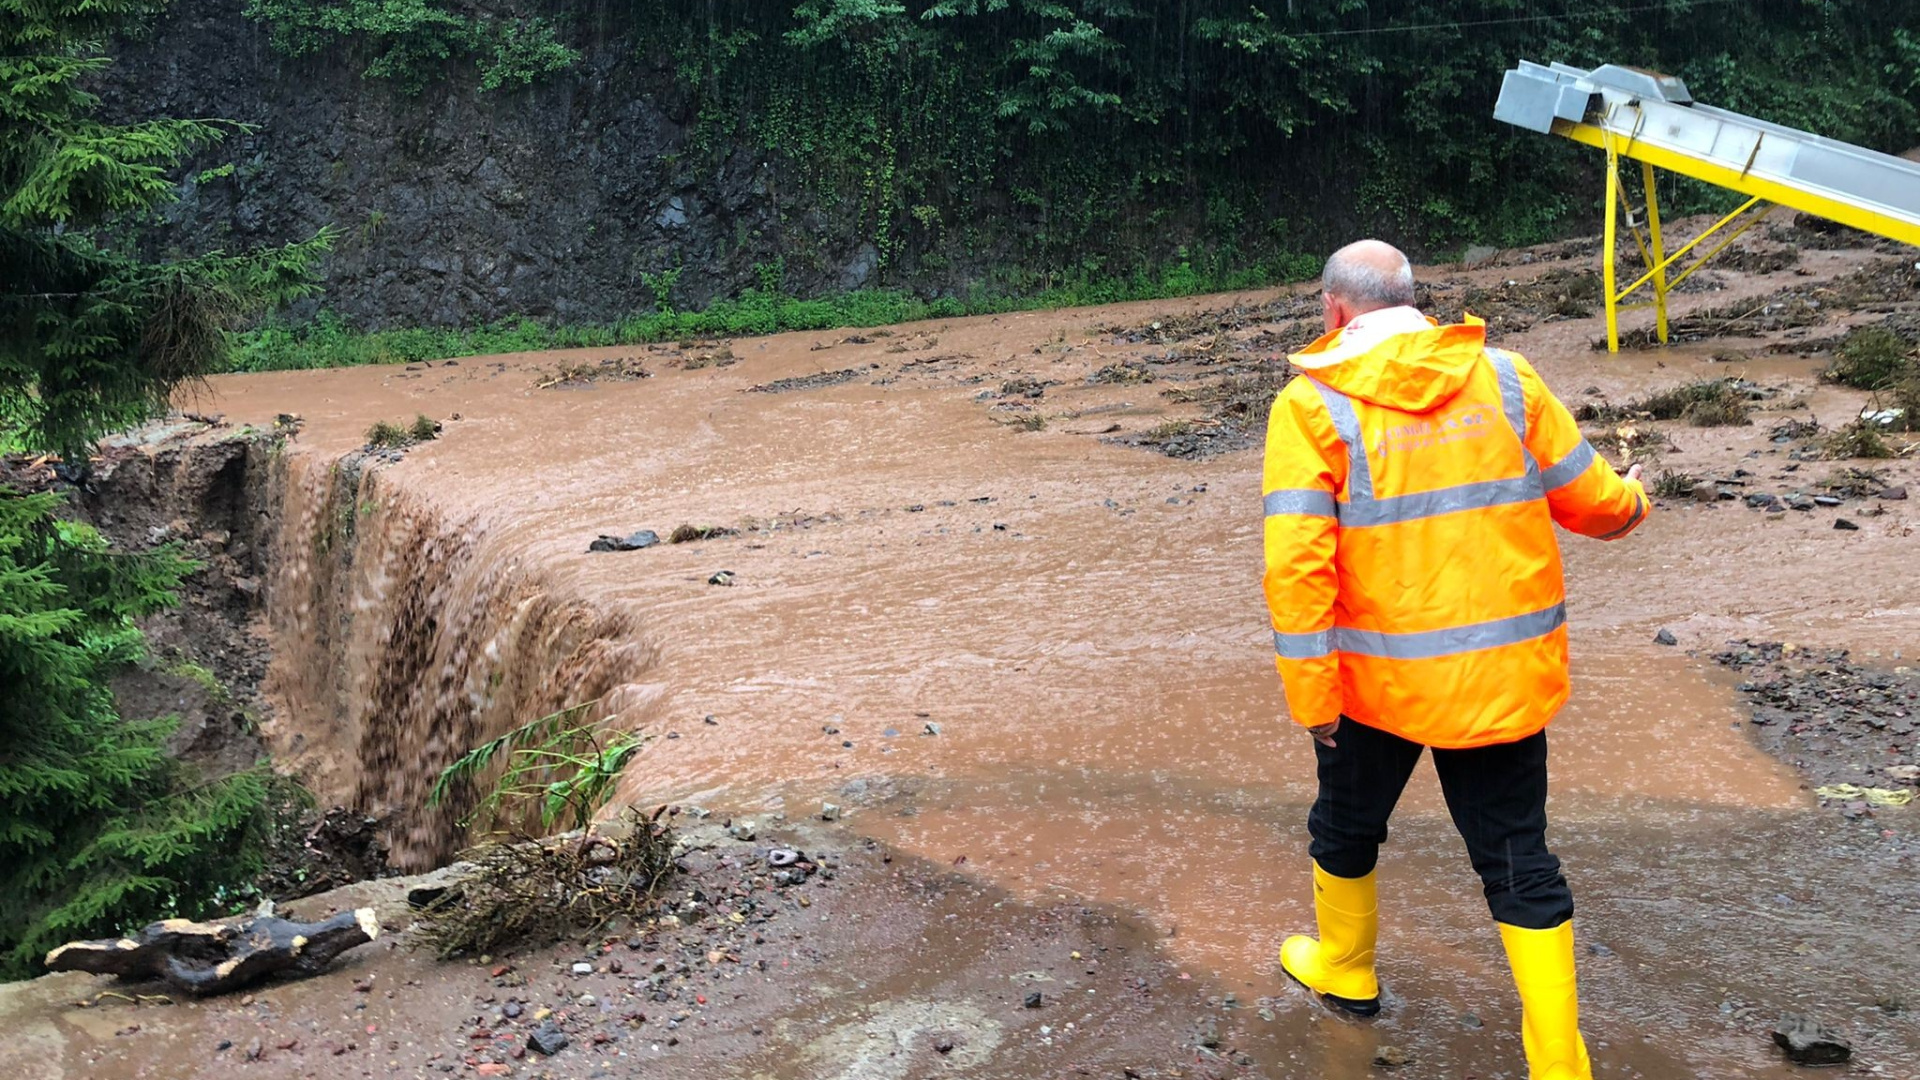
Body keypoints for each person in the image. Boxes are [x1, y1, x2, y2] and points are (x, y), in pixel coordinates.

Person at [1261, 240, 1648, 1080]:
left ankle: (1347, 969)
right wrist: (1635, 501)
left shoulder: (1311, 405)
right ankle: (1558, 1064)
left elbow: (1296, 569)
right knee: (1517, 860)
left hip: (1378, 687)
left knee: (1346, 828)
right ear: (1414, 300)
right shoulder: (1506, 377)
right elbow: (1592, 500)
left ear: (1333, 310)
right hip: (1502, 683)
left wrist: (1311, 696)